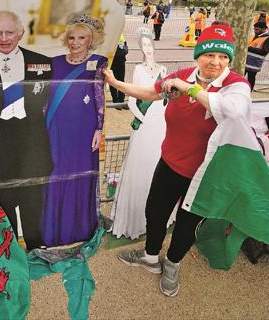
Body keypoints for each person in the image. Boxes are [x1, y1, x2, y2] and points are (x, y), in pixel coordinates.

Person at [104, 21, 250, 297]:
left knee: (187, 223)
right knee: (155, 212)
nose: (216, 62)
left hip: (206, 174)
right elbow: (149, 93)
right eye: (209, 54)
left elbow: (233, 111)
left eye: (223, 57)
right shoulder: (183, 75)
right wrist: (114, 83)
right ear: (198, 55)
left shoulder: (235, 84)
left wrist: (189, 89)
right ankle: (150, 258)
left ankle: (172, 263)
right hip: (170, 163)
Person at [0, 10, 53, 249]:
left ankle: (37, 247)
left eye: (9, 32)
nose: (4, 38)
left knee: (33, 197)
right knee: (3, 199)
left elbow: (38, 104)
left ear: (21, 33)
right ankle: (10, 248)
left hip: (32, 141)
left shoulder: (43, 63)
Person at [41, 15, 108, 247]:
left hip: (83, 129)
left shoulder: (99, 62)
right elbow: (44, 98)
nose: (76, 42)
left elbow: (100, 97)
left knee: (79, 173)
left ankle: (77, 229)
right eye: (71, 37)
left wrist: (99, 128)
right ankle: (53, 230)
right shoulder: (54, 62)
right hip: (56, 127)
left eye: (82, 37)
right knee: (54, 173)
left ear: (91, 40)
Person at [110, 28, 169, 240]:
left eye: (149, 44)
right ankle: (133, 218)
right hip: (145, 125)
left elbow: (167, 97)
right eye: (143, 45)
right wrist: (142, 119)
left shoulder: (164, 69)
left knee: (156, 165)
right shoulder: (138, 70)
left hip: (161, 126)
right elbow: (133, 98)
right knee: (139, 165)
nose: (147, 49)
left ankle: (154, 216)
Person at [245, 20, 269, 89]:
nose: (255, 31)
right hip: (246, 60)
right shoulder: (256, 36)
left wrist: (248, 48)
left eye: (257, 29)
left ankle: (250, 90)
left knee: (251, 78)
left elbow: (264, 51)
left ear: (264, 29)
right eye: (254, 29)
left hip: (254, 63)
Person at [110, 34, 128, 105]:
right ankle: (115, 100)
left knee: (121, 80)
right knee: (112, 80)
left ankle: (121, 100)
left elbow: (125, 47)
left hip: (121, 60)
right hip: (112, 62)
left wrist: (124, 50)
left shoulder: (121, 35)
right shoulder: (110, 34)